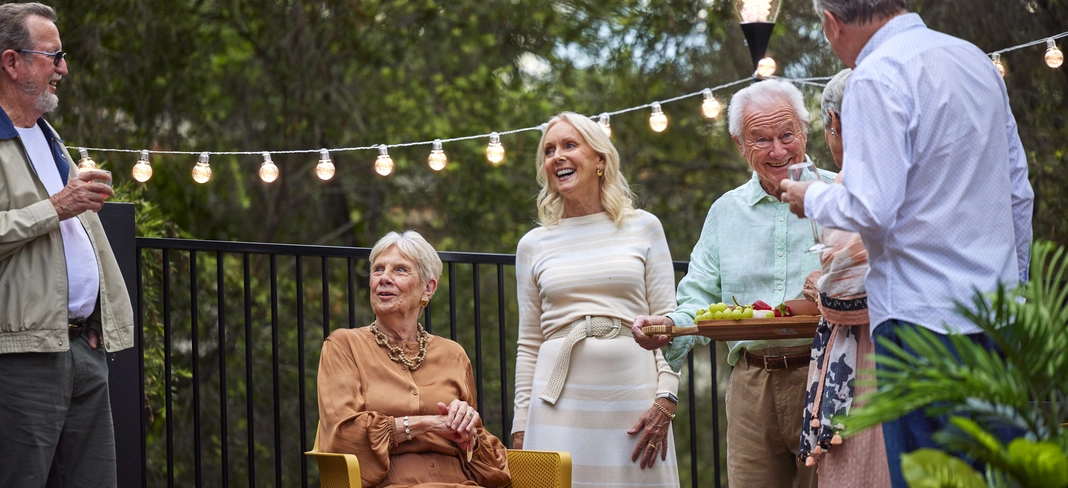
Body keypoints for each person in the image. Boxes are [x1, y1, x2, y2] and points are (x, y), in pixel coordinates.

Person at [781, 1, 1034, 486]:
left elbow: (871, 208)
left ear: (832, 23)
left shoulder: (874, 77)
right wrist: (1015, 292)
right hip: (997, 318)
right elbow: (1019, 191)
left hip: (921, 323)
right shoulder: (974, 59)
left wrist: (807, 197)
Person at [632, 79, 834, 488]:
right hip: (750, 386)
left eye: (787, 135)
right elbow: (698, 295)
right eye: (761, 139)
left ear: (805, 132)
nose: (777, 151)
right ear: (740, 145)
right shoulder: (725, 212)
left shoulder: (841, 194)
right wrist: (670, 326)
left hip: (826, 375)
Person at [0, 3, 134, 487]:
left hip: (81, 348)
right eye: (54, 56)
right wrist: (57, 205)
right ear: (12, 62)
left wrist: (93, 322)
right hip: (18, 356)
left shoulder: (48, 137)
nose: (63, 69)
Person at [512, 112, 680, 487]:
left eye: (570, 145)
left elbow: (669, 323)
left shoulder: (645, 227)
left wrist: (666, 397)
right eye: (549, 150)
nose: (557, 156)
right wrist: (521, 426)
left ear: (599, 160)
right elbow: (529, 343)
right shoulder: (532, 245)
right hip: (555, 403)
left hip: (633, 394)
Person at [317, 231, 511, 487]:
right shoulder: (344, 346)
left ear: (428, 288)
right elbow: (343, 437)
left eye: (399, 270)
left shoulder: (453, 354)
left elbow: (493, 467)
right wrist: (427, 424)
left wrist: (469, 433)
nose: (384, 278)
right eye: (378, 270)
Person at [796, 68, 890, 487]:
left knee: (864, 466)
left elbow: (848, 290)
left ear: (834, 121)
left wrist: (820, 288)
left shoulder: (857, 182)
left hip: (869, 355)